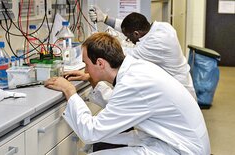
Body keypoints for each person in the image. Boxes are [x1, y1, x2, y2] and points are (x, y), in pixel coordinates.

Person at [44, 32, 210, 155]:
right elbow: (122, 105)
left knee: (95, 147)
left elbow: (90, 132)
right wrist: (93, 79)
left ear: (100, 63)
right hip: (175, 139)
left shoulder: (133, 84)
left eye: (86, 64)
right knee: (103, 142)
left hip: (181, 150)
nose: (85, 69)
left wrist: (69, 91)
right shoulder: (135, 69)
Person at [89, 8, 197, 99]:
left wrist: (102, 41)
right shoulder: (162, 27)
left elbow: (123, 53)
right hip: (178, 83)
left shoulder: (155, 44)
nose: (129, 40)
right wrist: (106, 19)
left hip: (180, 91)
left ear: (136, 34)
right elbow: (130, 26)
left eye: (129, 37)